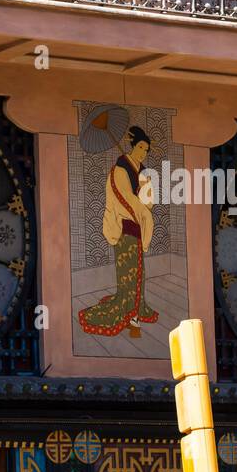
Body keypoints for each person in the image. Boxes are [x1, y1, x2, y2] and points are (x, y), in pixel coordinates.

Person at [78, 126, 159, 339]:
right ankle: (129, 317)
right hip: (125, 227)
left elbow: (148, 201)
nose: (143, 152)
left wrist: (143, 197)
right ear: (133, 146)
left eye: (146, 149)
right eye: (141, 147)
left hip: (138, 227)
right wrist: (141, 209)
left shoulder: (142, 172)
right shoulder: (120, 169)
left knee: (139, 273)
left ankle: (135, 312)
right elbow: (122, 197)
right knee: (127, 275)